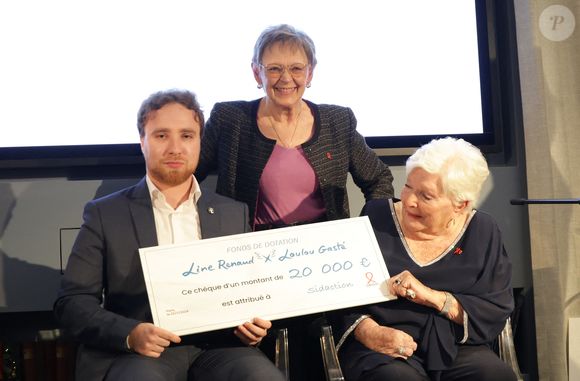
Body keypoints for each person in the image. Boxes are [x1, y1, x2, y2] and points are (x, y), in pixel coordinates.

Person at [53, 90, 286, 381]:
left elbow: (250, 295)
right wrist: (130, 334)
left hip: (219, 347)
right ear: (142, 142)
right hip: (143, 351)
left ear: (200, 142)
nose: (176, 148)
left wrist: (255, 324)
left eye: (187, 136)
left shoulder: (232, 213)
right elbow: (73, 303)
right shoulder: (105, 213)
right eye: (162, 136)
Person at [330, 137, 517, 381]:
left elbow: (495, 308)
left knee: (494, 375)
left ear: (461, 205)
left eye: (425, 196)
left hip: (452, 345)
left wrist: (431, 297)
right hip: (382, 346)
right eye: (408, 187)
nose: (409, 201)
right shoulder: (376, 218)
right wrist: (368, 331)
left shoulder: (482, 231)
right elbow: (341, 294)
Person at [195, 23, 394, 230]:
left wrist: (366, 232)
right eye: (274, 69)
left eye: (296, 68)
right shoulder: (230, 119)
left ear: (309, 73)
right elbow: (186, 175)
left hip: (327, 247)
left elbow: (379, 179)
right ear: (256, 73)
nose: (286, 78)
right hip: (252, 249)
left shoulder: (338, 121)